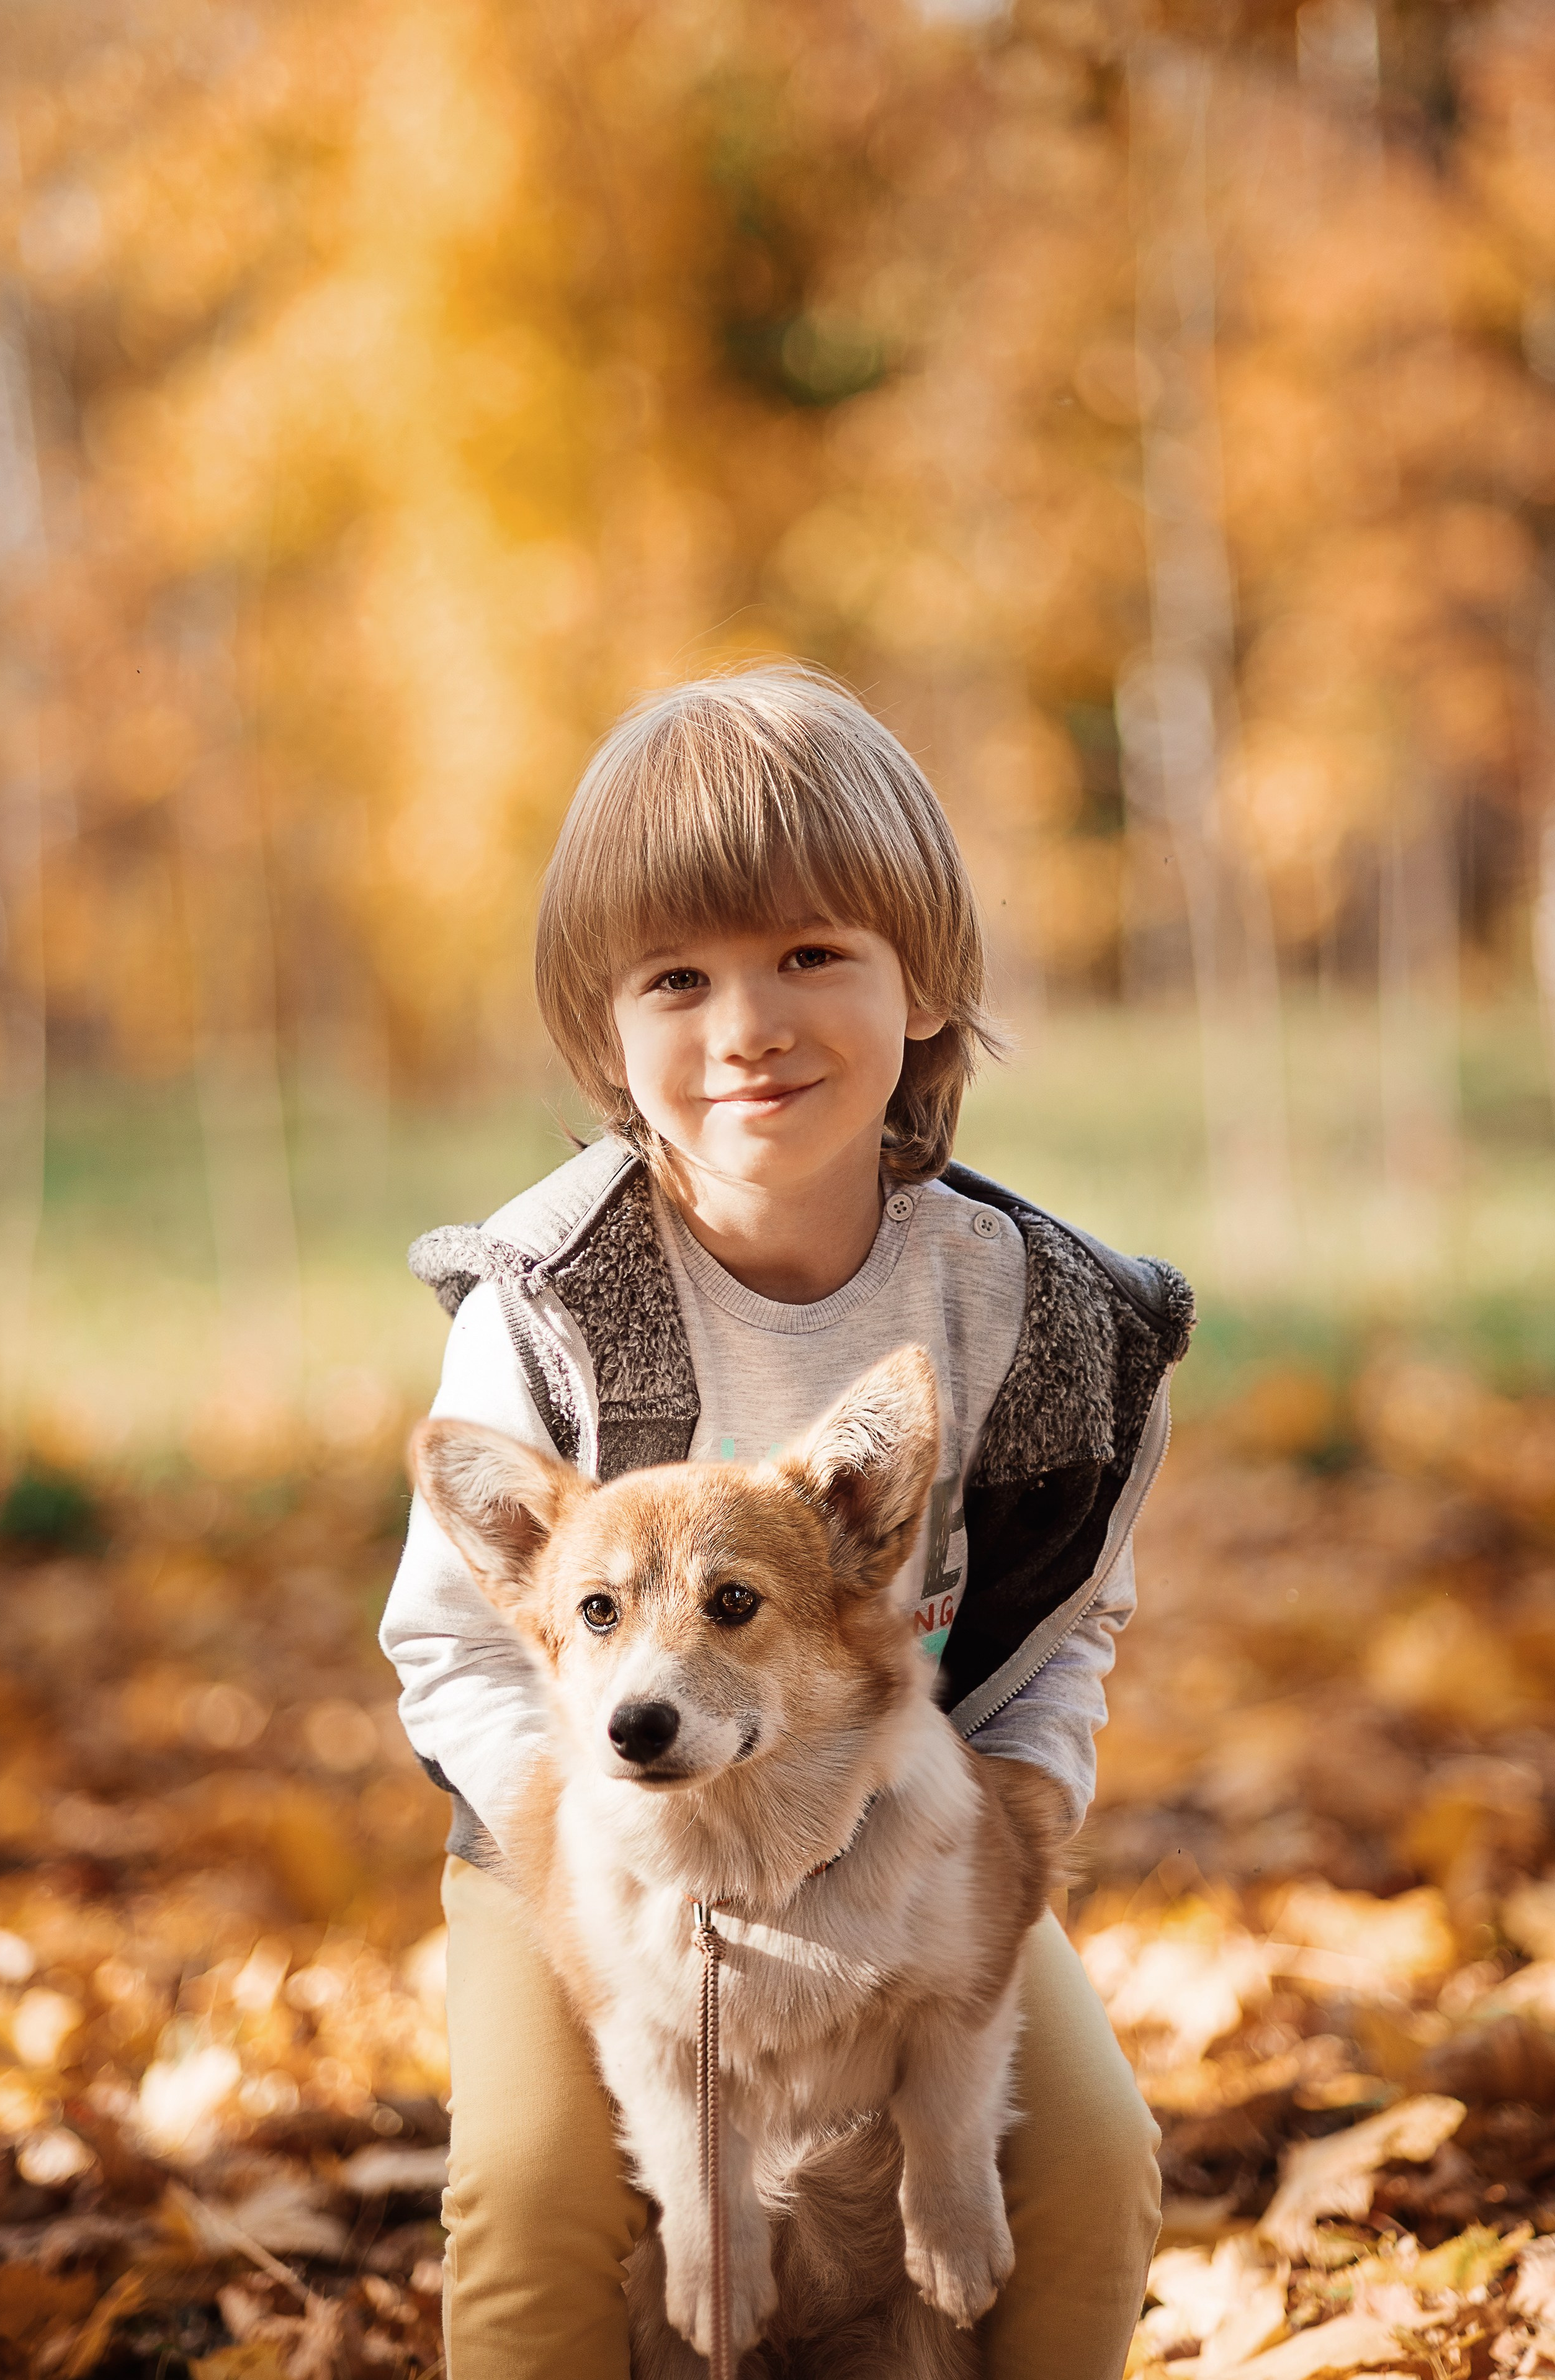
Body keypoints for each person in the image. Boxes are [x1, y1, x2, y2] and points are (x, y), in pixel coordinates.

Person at [380, 664, 1192, 2380]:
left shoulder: (1034, 1317)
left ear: (926, 981)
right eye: (680, 978)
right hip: (588, 1841)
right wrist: (576, 1860)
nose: (748, 1024)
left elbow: (1070, 1624)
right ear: (610, 1033)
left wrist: (1012, 1830)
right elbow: (451, 1646)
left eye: (812, 954)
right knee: (530, 2194)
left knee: (1095, 2162)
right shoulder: (545, 1304)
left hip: (897, 1830)